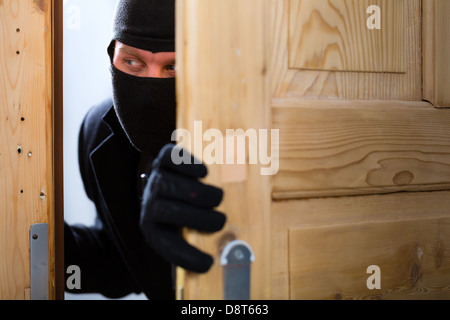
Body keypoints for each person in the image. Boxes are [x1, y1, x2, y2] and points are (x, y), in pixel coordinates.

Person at [64, 0, 226, 300]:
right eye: (132, 62)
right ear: (112, 55)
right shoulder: (98, 133)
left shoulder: (236, 142)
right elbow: (124, 261)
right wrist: (51, 247)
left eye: (173, 66)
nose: (150, 87)